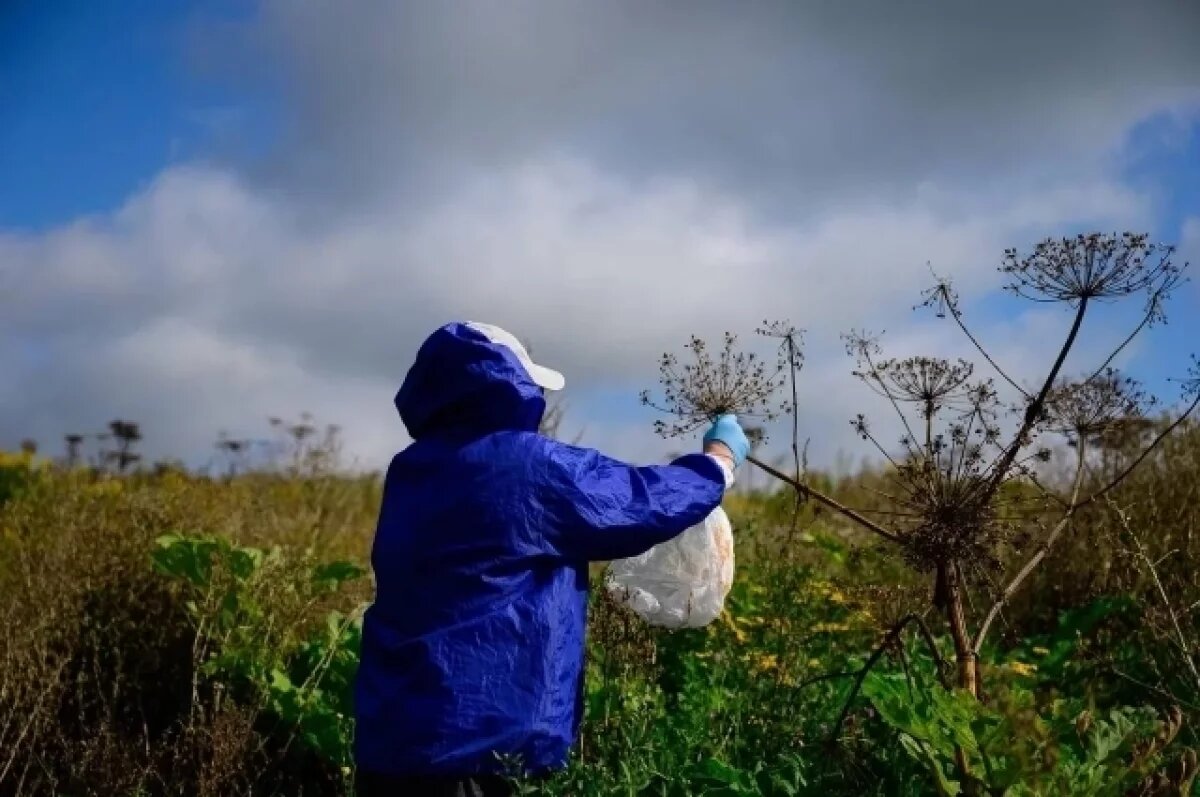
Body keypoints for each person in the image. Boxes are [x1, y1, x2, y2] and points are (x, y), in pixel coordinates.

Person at [353, 321, 750, 797]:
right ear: (512, 386)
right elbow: (635, 502)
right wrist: (716, 465)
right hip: (480, 746)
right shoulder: (527, 468)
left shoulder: (410, 470)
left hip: (391, 741)